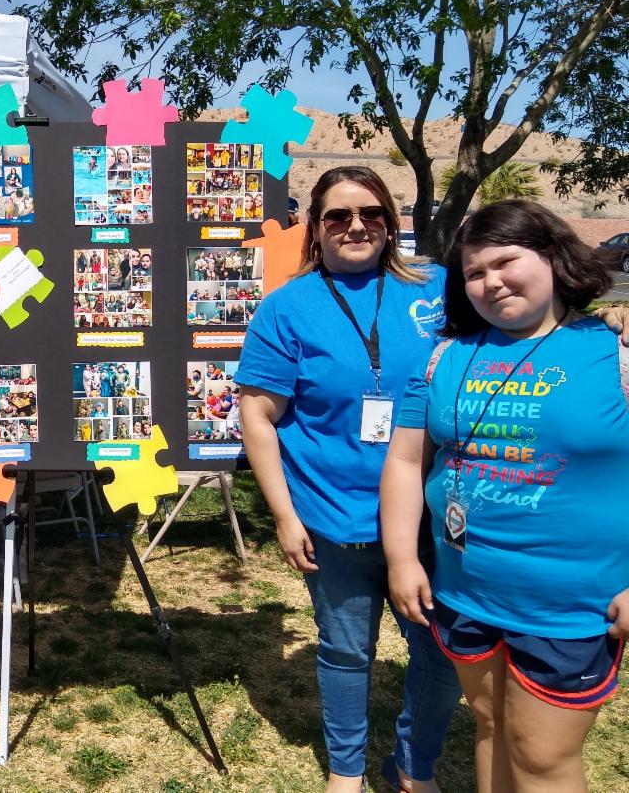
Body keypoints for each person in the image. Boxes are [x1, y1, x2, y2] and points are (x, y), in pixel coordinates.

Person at [381, 201, 629, 793]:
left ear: (552, 256)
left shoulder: (613, 352)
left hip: (572, 606)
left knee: (542, 758)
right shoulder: (445, 356)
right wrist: (402, 559)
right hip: (466, 592)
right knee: (491, 728)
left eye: (505, 262)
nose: (490, 282)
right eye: (474, 272)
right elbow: (407, 461)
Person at [236, 166, 462, 793]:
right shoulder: (287, 307)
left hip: (431, 519)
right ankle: (346, 769)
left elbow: (522, 324)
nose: (356, 226)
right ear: (316, 228)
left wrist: (600, 323)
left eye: (371, 213)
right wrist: (285, 516)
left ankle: (414, 764)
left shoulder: (440, 289)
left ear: (391, 221)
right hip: (333, 518)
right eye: (338, 215)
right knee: (345, 652)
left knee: (442, 653)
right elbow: (257, 415)